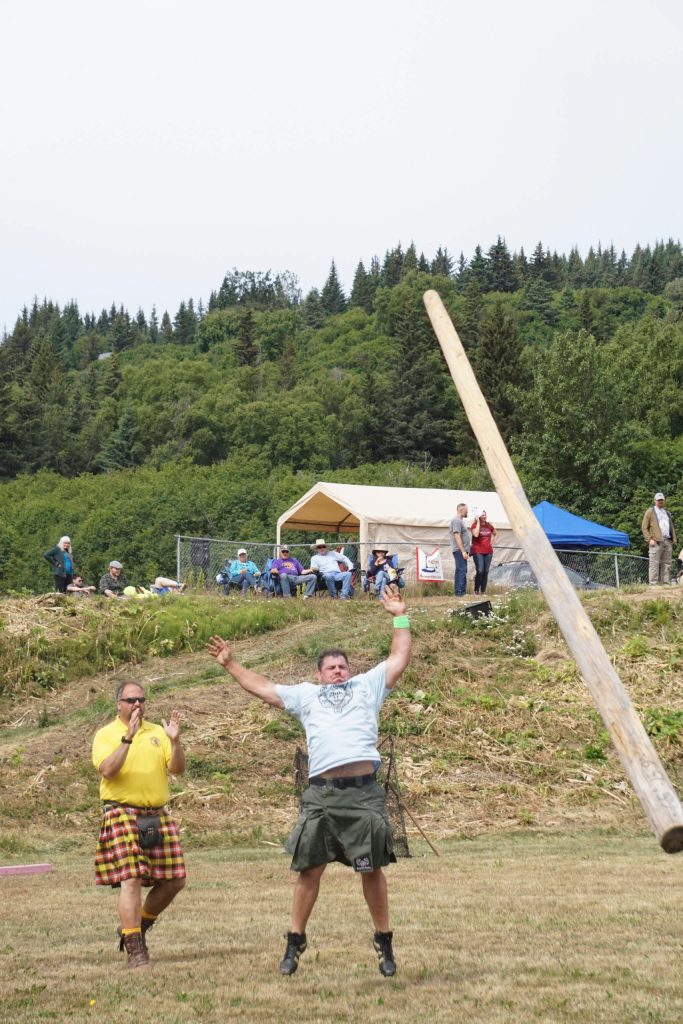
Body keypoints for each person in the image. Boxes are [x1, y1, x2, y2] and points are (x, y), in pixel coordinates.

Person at [207, 585, 411, 978]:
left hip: (363, 794)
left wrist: (399, 615)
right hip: (322, 796)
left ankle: (383, 940)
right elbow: (264, 688)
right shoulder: (307, 696)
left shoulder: (367, 687)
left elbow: (399, 657)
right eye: (331, 667)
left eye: (343, 666)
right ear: (318, 674)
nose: (338, 671)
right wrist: (231, 665)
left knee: (370, 870)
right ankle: (295, 939)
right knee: (309, 869)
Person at [92, 680, 186, 969]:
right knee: (131, 877)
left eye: (141, 699)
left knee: (176, 880)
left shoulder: (158, 732)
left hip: (156, 814)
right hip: (122, 812)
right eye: (131, 700)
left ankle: (136, 927)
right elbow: (108, 771)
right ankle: (135, 949)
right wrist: (128, 738)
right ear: (118, 703)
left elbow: (178, 770)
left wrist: (175, 741)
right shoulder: (106, 734)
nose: (137, 704)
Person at [641, 492, 677, 585]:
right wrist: (649, 539)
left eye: (661, 500)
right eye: (658, 500)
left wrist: (673, 539)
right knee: (654, 564)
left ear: (664, 501)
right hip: (656, 542)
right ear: (655, 501)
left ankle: (665, 583)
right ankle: (653, 584)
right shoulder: (650, 511)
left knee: (667, 564)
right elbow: (644, 527)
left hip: (667, 541)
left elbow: (670, 526)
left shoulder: (667, 512)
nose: (660, 502)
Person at [470, 511, 497, 595]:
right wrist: (478, 522)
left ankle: (483, 591)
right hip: (478, 551)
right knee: (480, 570)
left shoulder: (489, 525)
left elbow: (496, 533)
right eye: (482, 515)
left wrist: (492, 542)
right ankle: (476, 590)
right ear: (478, 516)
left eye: (485, 514)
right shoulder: (474, 525)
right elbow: (476, 535)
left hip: (488, 551)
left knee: (486, 571)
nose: (484, 516)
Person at [450, 503, 471, 596]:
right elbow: (457, 536)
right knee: (462, 570)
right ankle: (460, 593)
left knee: (460, 570)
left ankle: (459, 592)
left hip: (461, 550)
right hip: (459, 550)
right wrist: (463, 551)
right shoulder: (456, 521)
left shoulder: (460, 521)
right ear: (461, 510)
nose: (468, 511)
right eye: (466, 510)